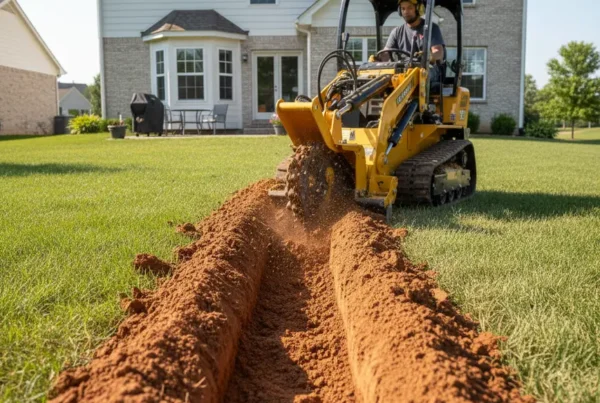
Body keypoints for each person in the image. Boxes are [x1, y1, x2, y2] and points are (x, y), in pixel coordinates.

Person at [379, 0, 445, 86]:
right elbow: (386, 52)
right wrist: (378, 58)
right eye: (403, 8)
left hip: (426, 70)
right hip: (403, 70)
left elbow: (438, 51)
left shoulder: (431, 29)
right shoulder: (396, 32)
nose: (406, 12)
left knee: (418, 76)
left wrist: (430, 57)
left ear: (419, 9)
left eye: (410, 8)